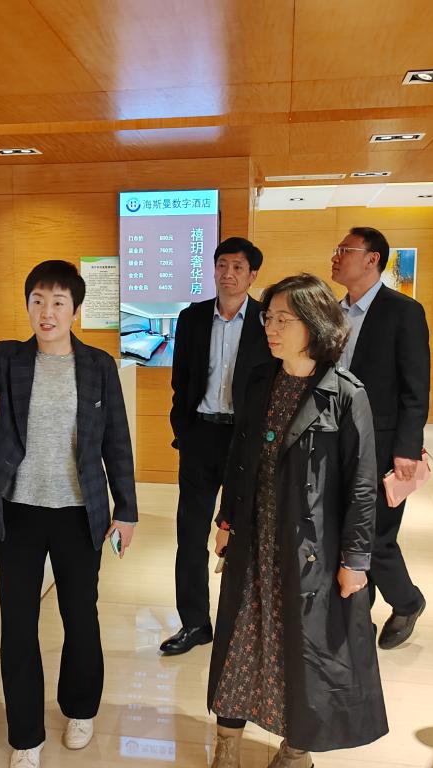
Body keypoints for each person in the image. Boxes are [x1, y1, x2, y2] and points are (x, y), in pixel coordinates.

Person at [0, 260, 138, 768]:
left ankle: (80, 708)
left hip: (79, 513)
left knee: (80, 617)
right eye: (38, 301)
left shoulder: (98, 365)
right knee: (19, 625)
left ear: (75, 310)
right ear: (27, 306)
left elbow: (116, 440)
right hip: (17, 511)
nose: (47, 312)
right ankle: (25, 736)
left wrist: (126, 510)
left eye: (58, 303)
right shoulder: (10, 358)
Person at [208, 274, 387, 768]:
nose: (271, 328)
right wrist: (226, 519)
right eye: (269, 318)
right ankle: (227, 743)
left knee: (302, 649)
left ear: (315, 324)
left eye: (283, 320)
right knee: (241, 639)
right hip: (254, 537)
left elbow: (362, 485)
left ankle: (296, 749)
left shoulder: (344, 394)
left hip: (312, 550)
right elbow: (238, 457)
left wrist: (355, 559)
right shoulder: (259, 381)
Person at [161, 236, 272, 656]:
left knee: (244, 531)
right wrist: (183, 429)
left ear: (253, 274)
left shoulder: (266, 319)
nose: (229, 273)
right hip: (201, 436)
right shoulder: (191, 317)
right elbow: (181, 381)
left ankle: (241, 622)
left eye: (238, 267)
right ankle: (194, 623)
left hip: (246, 440)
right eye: (222, 265)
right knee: (190, 532)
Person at [330, 226, 430, 649]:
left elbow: (415, 387)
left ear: (372, 259)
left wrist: (407, 448)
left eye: (345, 250)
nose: (335, 257)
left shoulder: (403, 311)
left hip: (384, 443)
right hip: (335, 439)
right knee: (344, 532)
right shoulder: (333, 312)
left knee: (376, 536)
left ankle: (407, 601)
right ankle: (359, 616)